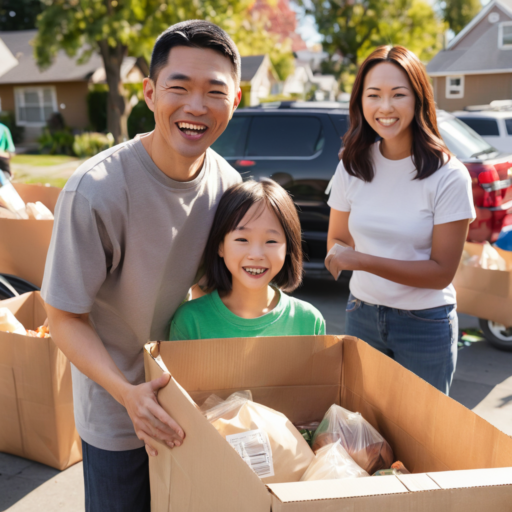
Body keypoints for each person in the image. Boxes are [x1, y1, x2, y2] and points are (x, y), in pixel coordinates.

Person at [42, 20, 243, 512]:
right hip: (117, 410)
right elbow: (63, 317)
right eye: (180, 87)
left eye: (215, 92)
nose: (197, 106)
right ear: (150, 93)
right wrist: (128, 394)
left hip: (193, 406)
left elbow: (216, 294)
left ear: (236, 101)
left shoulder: (228, 187)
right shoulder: (97, 189)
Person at [325, 45, 475, 395]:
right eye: (373, 94)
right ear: (360, 101)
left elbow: (441, 273)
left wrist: (360, 260)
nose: (385, 107)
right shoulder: (352, 164)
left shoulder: (449, 176)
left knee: (421, 439)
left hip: (423, 324)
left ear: (418, 99)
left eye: (398, 94)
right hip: (361, 313)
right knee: (363, 431)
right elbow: (338, 240)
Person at [170, 179, 326, 340]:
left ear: (288, 247)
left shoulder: (308, 321)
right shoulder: (190, 321)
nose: (256, 254)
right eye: (242, 240)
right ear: (220, 245)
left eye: (271, 241)